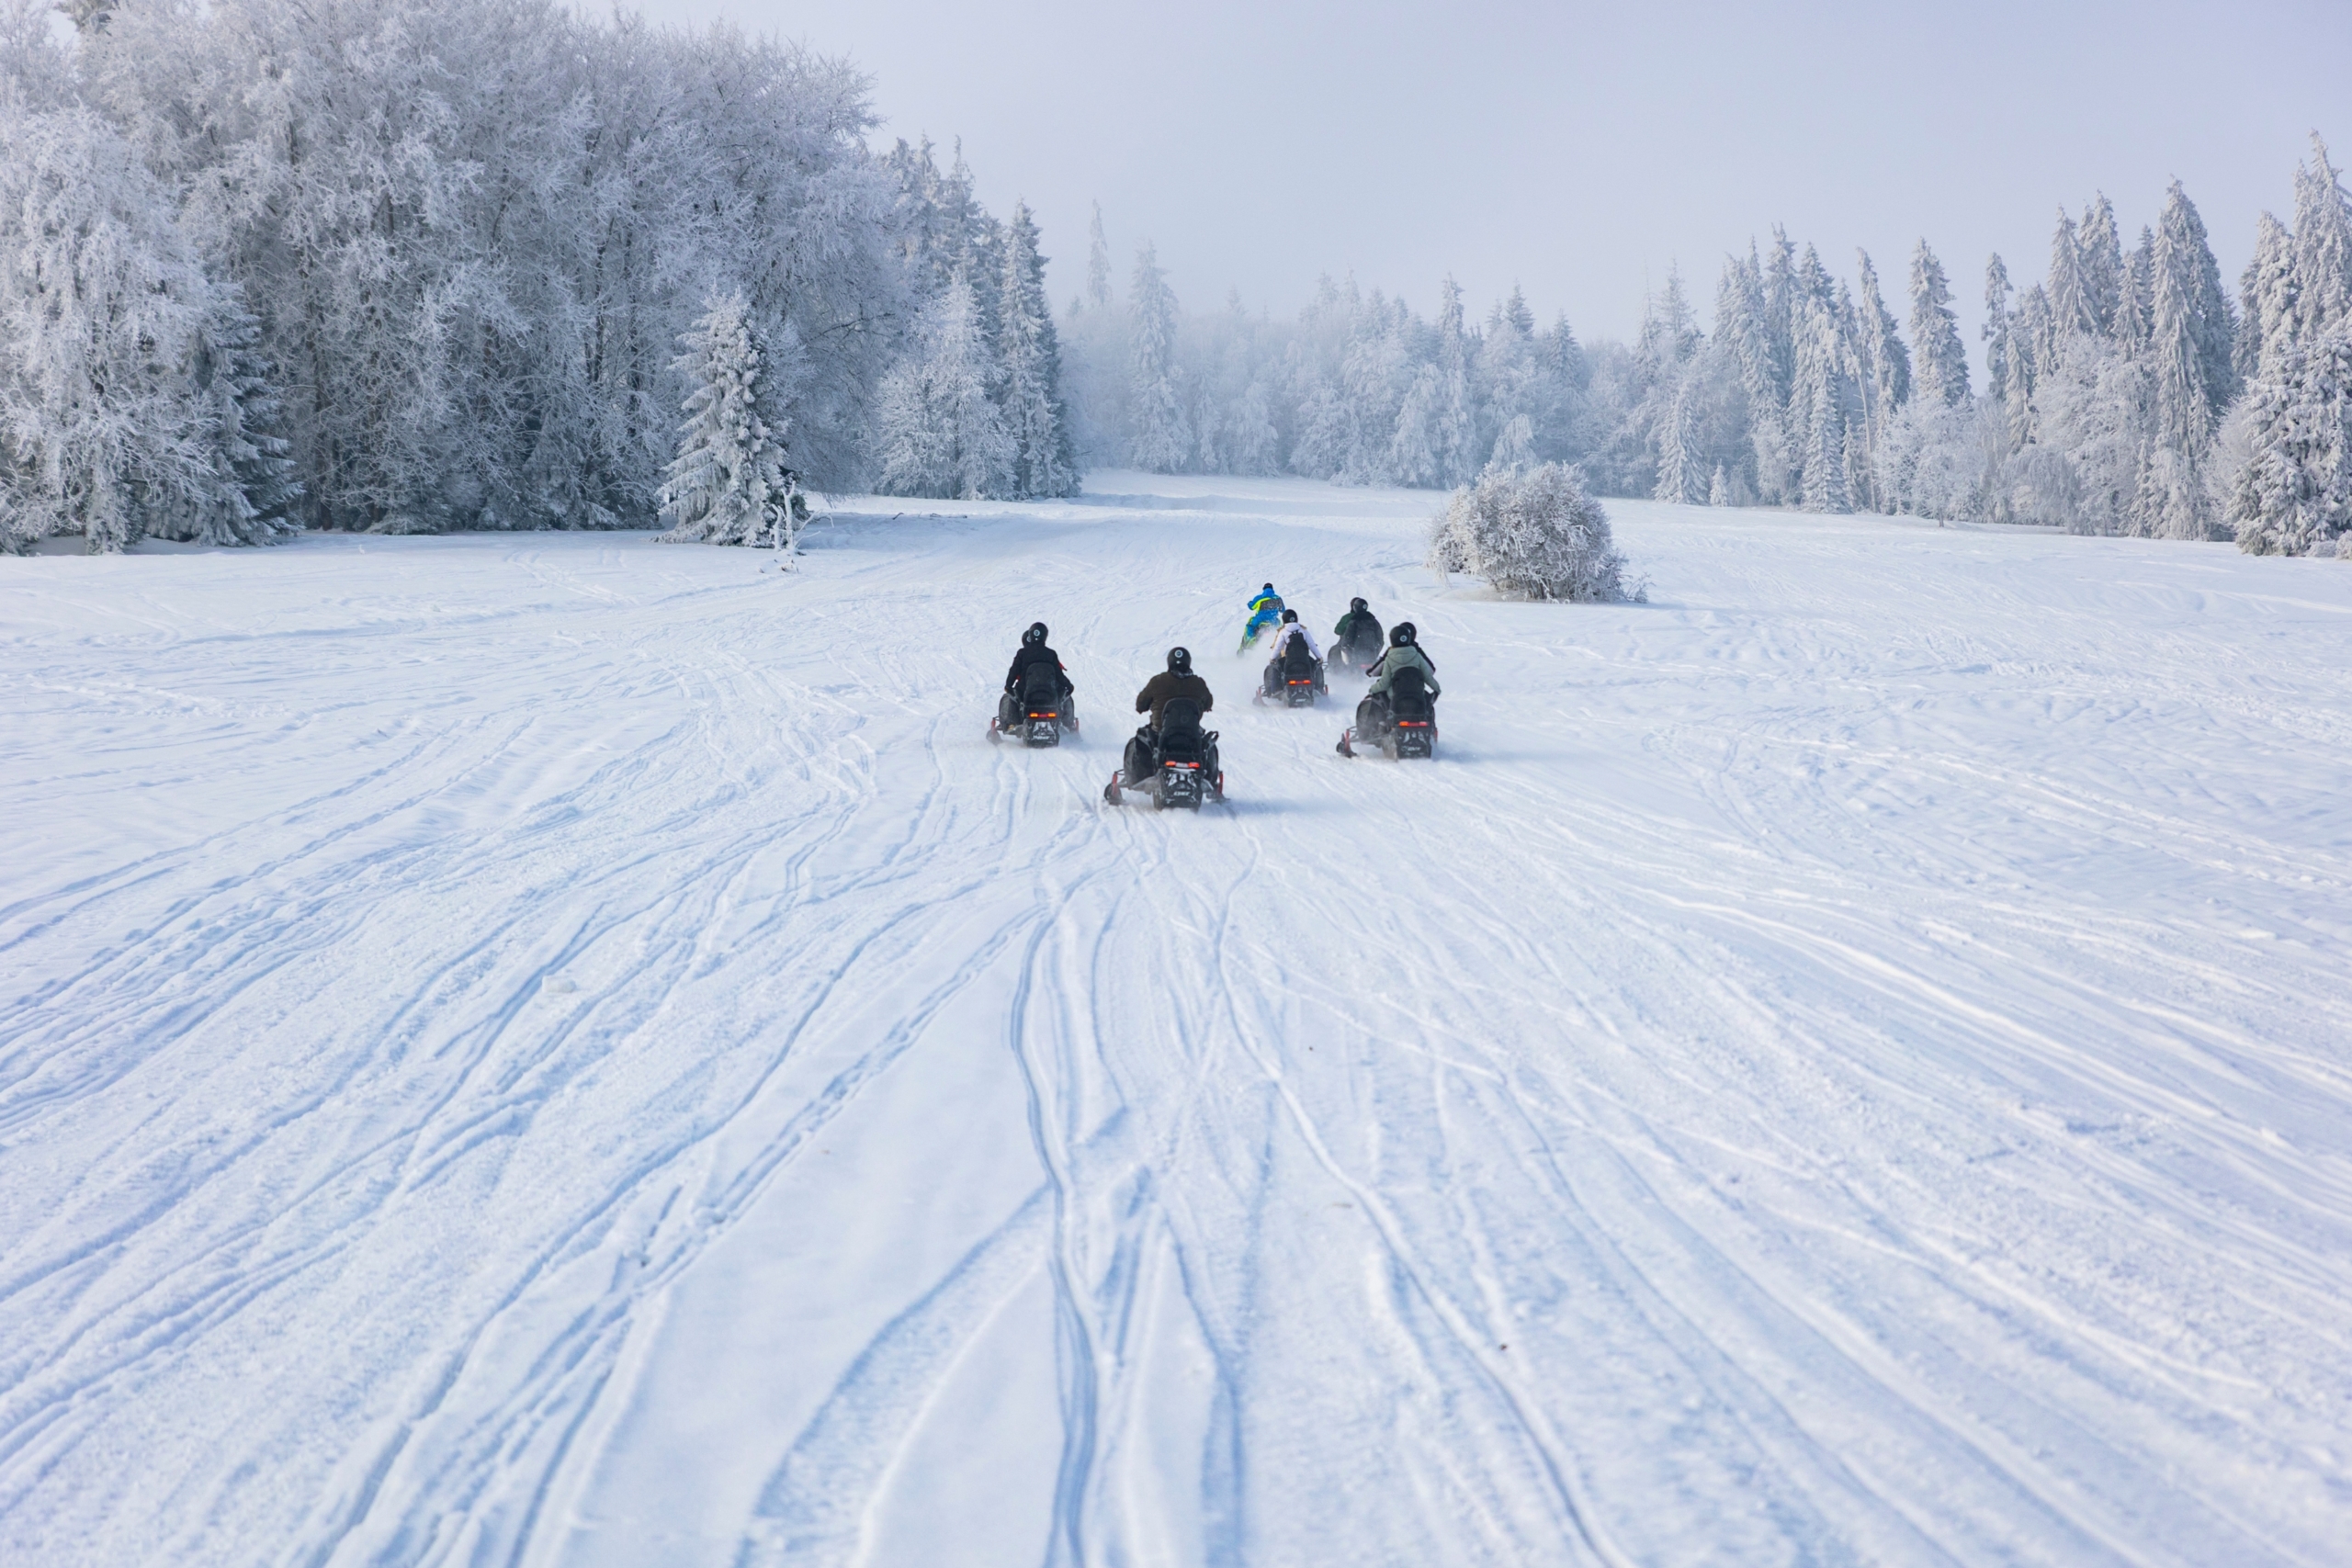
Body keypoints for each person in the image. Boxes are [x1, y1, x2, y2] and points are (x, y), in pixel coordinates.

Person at [1125, 646, 1215, 784]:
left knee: (1139, 741)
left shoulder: (1158, 681)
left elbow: (1141, 704)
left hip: (1160, 732)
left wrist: (1143, 707)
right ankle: (1211, 781)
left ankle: (1137, 778)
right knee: (1209, 746)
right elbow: (1209, 702)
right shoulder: (1198, 683)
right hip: (1191, 733)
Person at [1357, 621, 1439, 735]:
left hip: (1396, 693)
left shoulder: (1392, 652)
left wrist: (1371, 677)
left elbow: (1378, 672)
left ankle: (1377, 726)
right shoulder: (1417, 652)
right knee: (1428, 702)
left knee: (1377, 697)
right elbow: (1430, 671)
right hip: (1416, 691)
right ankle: (1430, 729)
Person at [999, 621, 1074, 731]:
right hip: (1049, 694)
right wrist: (1069, 686)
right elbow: (1059, 675)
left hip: (1026, 693)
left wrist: (1008, 686)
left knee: (1011, 697)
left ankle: (1011, 724)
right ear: (1045, 636)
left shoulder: (1022, 653)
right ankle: (1068, 724)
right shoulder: (1051, 653)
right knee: (1065, 695)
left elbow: (1013, 671)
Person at [1260, 607, 1323, 697]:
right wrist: (1319, 658)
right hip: (1304, 660)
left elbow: (1277, 648)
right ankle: (1320, 688)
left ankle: (1275, 690)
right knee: (1317, 666)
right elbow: (1312, 645)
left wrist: (1272, 658)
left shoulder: (1283, 632)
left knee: (1274, 668)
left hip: (1288, 661)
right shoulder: (1303, 630)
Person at [1330, 597, 1384, 668]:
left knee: (1340, 653)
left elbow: (1346, 637)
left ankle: (1342, 670)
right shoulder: (1374, 621)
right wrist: (1376, 651)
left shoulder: (1353, 621)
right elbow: (1380, 638)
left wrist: (1348, 650)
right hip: (1371, 654)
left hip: (1356, 655)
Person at [1238, 583, 1283, 652]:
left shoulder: (1259, 598)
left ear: (1264, 589)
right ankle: (1280, 642)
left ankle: (1250, 638)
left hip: (1260, 620)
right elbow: (1283, 610)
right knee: (1280, 629)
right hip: (1273, 621)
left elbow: (1252, 607)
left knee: (1250, 625)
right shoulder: (1278, 598)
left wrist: (1249, 603)